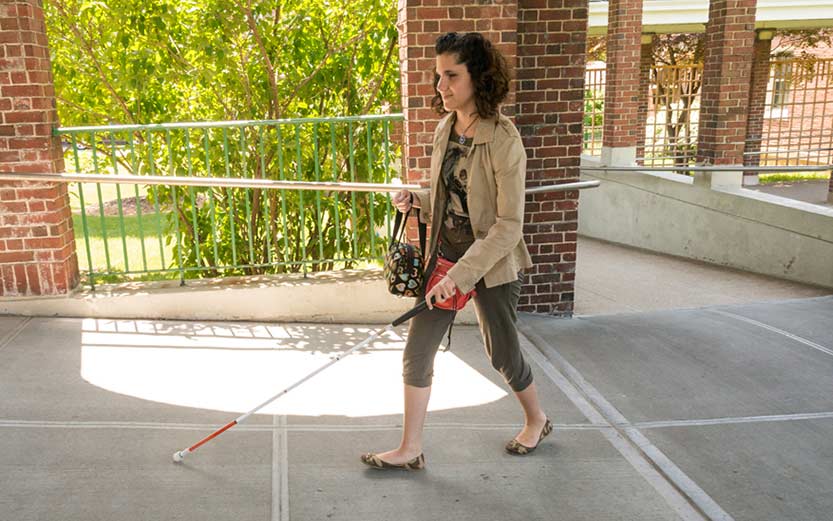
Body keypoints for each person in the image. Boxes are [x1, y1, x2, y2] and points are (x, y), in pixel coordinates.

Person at [361, 32, 551, 471]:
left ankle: (537, 419)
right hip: (445, 255)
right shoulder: (446, 127)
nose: (440, 87)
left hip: (490, 262)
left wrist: (460, 277)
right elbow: (451, 198)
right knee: (417, 349)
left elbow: (507, 225)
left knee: (501, 352)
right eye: (437, 76)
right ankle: (410, 448)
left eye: (451, 76)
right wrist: (417, 200)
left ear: (478, 78)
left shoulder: (505, 141)